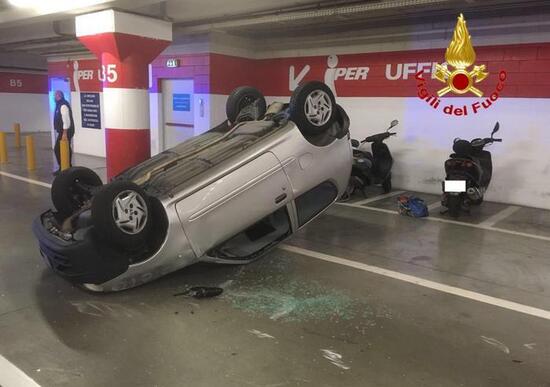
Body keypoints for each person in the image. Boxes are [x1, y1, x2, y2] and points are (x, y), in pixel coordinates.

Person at [53, 90, 75, 175]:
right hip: (63, 131)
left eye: (55, 95)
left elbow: (66, 120)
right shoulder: (59, 104)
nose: (54, 97)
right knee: (66, 148)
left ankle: (64, 167)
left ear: (59, 96)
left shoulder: (63, 105)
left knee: (57, 149)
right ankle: (67, 166)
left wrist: (64, 133)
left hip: (66, 131)